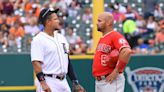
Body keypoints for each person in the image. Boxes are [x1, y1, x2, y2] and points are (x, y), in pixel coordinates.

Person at [31, 8, 85, 92]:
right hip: (48, 80)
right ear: (48, 22)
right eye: (55, 19)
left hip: (63, 81)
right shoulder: (38, 39)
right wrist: (43, 83)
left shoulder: (61, 37)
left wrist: (75, 82)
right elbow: (36, 62)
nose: (58, 21)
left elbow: (67, 60)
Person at [92, 12, 132, 92]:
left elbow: (127, 51)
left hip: (111, 81)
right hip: (100, 81)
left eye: (100, 21)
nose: (97, 23)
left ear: (109, 22)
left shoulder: (114, 35)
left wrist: (116, 71)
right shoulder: (103, 38)